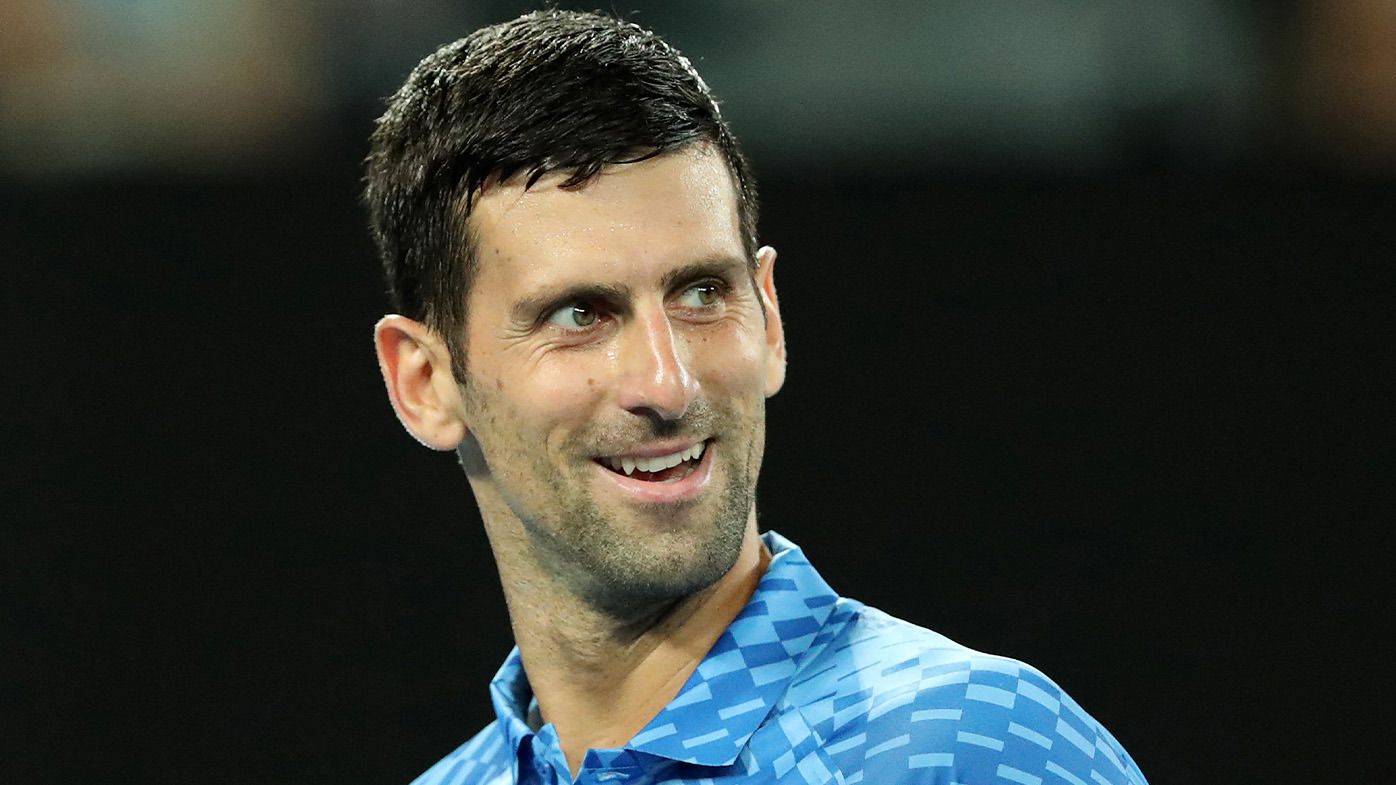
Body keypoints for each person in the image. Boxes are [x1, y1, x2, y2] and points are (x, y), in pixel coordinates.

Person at [363, 10, 1148, 785]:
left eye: (702, 292)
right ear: (425, 383)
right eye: (579, 315)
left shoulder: (974, 749)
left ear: (769, 316)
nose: (667, 382)